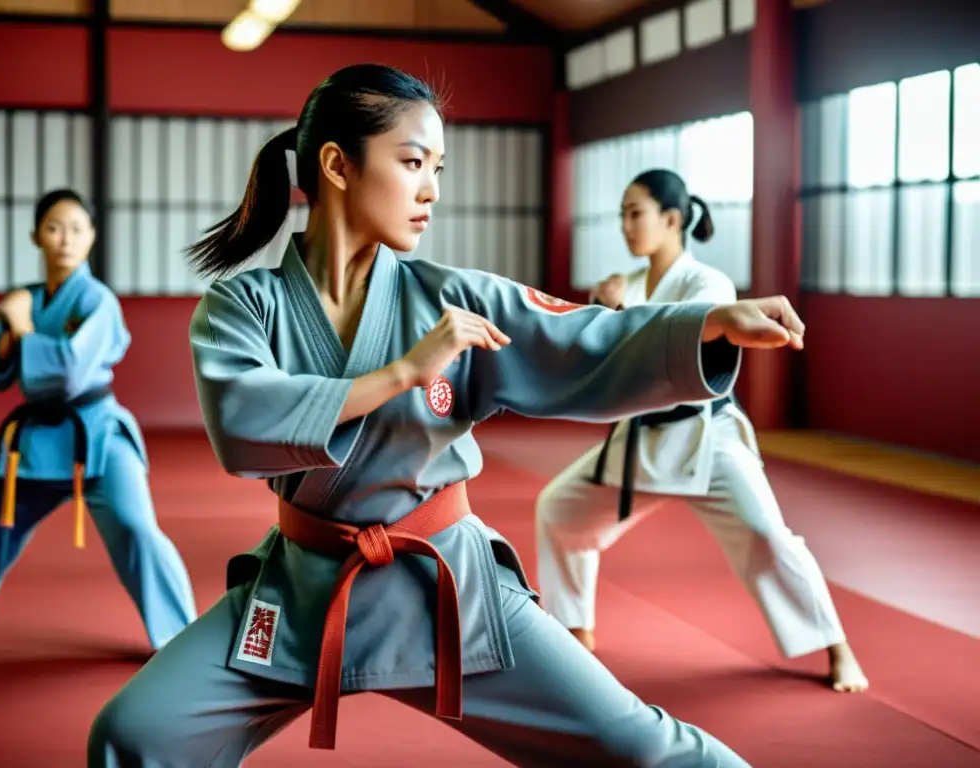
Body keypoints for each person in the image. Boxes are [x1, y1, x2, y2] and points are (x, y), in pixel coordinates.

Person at [88, 64, 807, 767]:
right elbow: (242, 423)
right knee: (136, 733)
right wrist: (401, 372)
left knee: (640, 746)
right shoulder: (245, 306)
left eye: (439, 167)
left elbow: (579, 336)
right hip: (305, 592)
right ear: (338, 165)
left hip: (450, 590)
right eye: (412, 162)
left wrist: (705, 323)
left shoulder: (454, 300)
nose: (431, 190)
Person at [534, 169, 869, 694]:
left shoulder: (707, 281)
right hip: (641, 439)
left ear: (671, 219)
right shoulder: (629, 283)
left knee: (767, 536)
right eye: (622, 214)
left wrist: (617, 309)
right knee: (560, 510)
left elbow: (684, 331)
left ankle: (838, 648)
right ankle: (577, 631)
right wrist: (601, 309)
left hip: (706, 438)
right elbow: (602, 356)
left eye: (634, 212)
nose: (625, 225)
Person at [0, 189, 197, 651]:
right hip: (37, 441)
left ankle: (179, 639)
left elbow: (68, 371)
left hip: (96, 435)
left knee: (135, 527)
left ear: (91, 238)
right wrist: (9, 332)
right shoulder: (26, 298)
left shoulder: (98, 300)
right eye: (53, 227)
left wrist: (23, 328)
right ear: (36, 236)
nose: (65, 238)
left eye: (76, 228)